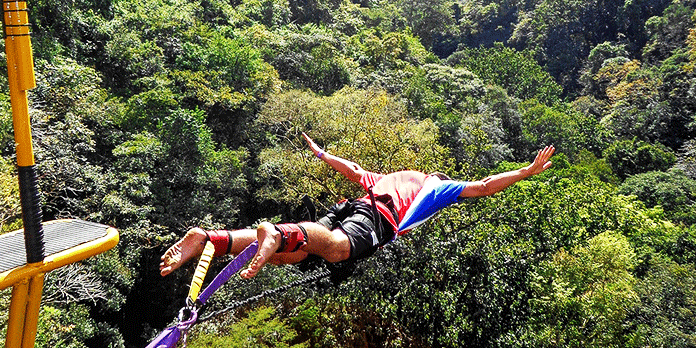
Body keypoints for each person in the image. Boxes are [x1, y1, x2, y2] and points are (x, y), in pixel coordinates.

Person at [160, 134, 555, 281]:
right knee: (336, 249)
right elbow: (485, 187)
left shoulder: (390, 177)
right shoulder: (434, 188)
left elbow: (353, 170)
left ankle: (212, 238)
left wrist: (321, 153)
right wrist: (527, 170)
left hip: (355, 205)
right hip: (376, 219)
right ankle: (275, 231)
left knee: (297, 254)